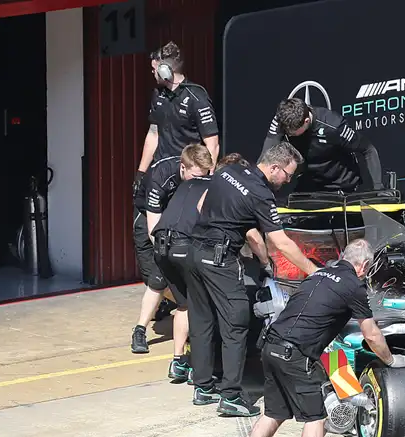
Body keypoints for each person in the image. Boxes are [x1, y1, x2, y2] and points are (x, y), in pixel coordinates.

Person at [226, 238, 405, 437]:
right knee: (315, 419)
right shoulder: (353, 285)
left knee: (274, 412)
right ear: (363, 266)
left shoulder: (318, 274)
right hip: (295, 355)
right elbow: (371, 334)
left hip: (272, 347)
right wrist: (391, 360)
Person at [186, 142, 319, 415]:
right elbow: (279, 241)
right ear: (274, 167)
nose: (288, 180)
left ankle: (202, 387)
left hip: (194, 252)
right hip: (220, 259)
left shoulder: (228, 171)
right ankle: (231, 396)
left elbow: (200, 205)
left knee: (201, 320)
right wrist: (314, 270)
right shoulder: (261, 193)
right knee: (236, 324)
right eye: (287, 174)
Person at [149, 144, 215, 380]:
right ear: (183, 167)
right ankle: (201, 364)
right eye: (199, 175)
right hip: (182, 245)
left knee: (184, 305)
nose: (203, 179)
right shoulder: (210, 187)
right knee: (201, 306)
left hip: (162, 246)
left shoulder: (182, 187)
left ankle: (178, 361)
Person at [130, 146, 198, 353]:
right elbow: (153, 227)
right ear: (183, 168)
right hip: (149, 220)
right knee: (154, 277)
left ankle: (181, 312)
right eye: (195, 176)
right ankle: (139, 330)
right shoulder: (160, 176)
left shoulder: (202, 175)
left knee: (164, 279)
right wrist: (165, 255)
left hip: (178, 221)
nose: (198, 181)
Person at [135, 41, 219, 184]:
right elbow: (153, 133)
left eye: (155, 69)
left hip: (186, 175)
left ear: (164, 71)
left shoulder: (197, 98)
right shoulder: (158, 94)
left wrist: (206, 179)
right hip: (161, 173)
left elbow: (212, 144)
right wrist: (141, 173)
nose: (152, 73)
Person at [258, 97, 383, 193]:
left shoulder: (333, 126)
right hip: (310, 181)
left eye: (292, 132)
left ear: (306, 121)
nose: (288, 134)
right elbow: (267, 154)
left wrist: (378, 187)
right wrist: (254, 182)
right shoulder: (282, 120)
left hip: (340, 184)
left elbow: (368, 149)